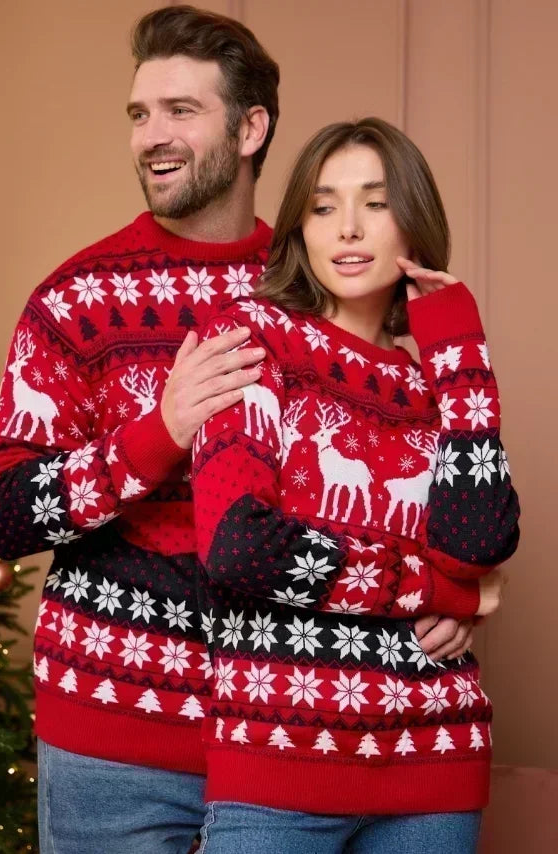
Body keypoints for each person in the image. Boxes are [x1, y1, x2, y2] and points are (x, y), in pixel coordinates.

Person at [0, 6, 279, 853]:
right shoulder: (74, 300)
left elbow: (382, 476)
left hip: (288, 737)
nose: (152, 135)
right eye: (140, 113)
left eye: (182, 111)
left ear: (250, 128)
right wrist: (160, 431)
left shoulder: (310, 292)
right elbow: (3, 512)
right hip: (111, 744)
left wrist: (461, 592)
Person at [191, 118, 520, 853]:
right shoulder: (253, 337)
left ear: (413, 220)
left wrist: (462, 355)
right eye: (322, 204)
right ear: (300, 229)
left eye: (375, 202)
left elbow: (477, 544)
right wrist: (434, 589)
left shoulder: (435, 380)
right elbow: (239, 546)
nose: (347, 227)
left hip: (435, 766)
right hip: (277, 763)